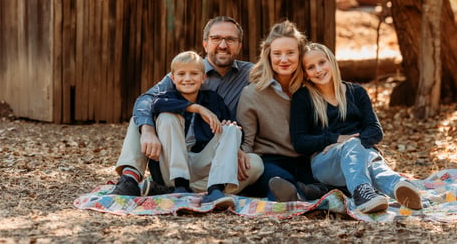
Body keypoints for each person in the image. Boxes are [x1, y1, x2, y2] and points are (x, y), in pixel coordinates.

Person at [111, 16, 263, 196]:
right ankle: (130, 178)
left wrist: (236, 149)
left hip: (210, 157)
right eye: (216, 39)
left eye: (230, 39)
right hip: (173, 154)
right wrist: (148, 131)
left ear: (239, 46)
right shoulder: (187, 69)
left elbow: (277, 81)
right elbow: (147, 100)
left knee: (254, 164)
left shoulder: (251, 74)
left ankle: (177, 191)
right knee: (143, 116)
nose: (223, 45)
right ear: (205, 44)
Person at [283, 42, 422, 213]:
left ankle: (396, 188)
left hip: (363, 154)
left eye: (322, 62)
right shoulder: (302, 98)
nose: (318, 70)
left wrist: (352, 143)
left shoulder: (356, 92)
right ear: (306, 74)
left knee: (367, 158)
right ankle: (364, 193)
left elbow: (375, 130)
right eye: (311, 67)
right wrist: (335, 140)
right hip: (325, 162)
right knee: (356, 148)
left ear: (331, 61)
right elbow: (300, 141)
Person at [237, 20, 319, 200]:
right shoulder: (252, 93)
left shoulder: (312, 88)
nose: (283, 59)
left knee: (317, 184)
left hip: (305, 159)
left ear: (300, 54)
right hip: (270, 160)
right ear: (268, 55)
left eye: (290, 53)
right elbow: (247, 139)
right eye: (277, 54)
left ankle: (301, 194)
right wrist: (242, 155)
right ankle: (290, 194)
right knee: (280, 180)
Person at [150, 51, 240, 207]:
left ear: (203, 78)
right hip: (170, 168)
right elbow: (156, 105)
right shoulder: (167, 97)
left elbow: (233, 126)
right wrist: (196, 108)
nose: (187, 79)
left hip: (202, 164)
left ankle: (215, 190)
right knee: (167, 116)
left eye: (193, 74)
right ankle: (180, 185)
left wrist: (229, 129)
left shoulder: (213, 99)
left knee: (233, 129)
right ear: (173, 78)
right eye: (181, 74)